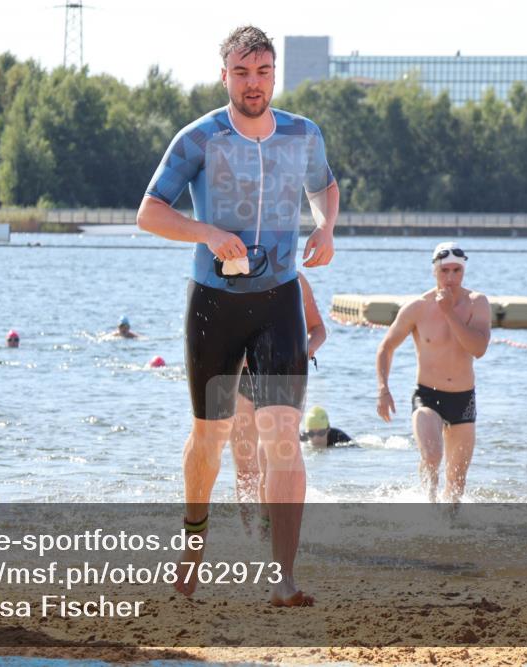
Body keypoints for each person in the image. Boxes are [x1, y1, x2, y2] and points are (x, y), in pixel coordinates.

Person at [135, 24, 339, 607]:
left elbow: (326, 186)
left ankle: (284, 576)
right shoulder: (199, 138)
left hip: (278, 299)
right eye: (242, 72)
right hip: (214, 305)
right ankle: (194, 540)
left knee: (283, 436)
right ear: (224, 75)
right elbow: (149, 213)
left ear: (275, 74)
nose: (254, 83)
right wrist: (206, 233)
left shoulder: (303, 134)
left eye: (264, 72)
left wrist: (326, 226)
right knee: (211, 438)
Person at [375, 242, 490, 504]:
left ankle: (447, 528)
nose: (450, 278)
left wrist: (449, 312)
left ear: (463, 271)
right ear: (434, 272)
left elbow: (478, 348)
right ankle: (427, 509)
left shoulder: (477, 303)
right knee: (432, 455)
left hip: (463, 398)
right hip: (428, 396)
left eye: (456, 271)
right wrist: (383, 389)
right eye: (444, 271)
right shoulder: (417, 307)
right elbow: (386, 348)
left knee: (456, 483)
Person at [230, 273, 331, 513]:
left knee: (274, 458)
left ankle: (269, 524)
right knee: (246, 468)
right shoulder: (232, 276)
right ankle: (250, 533)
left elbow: (318, 329)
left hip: (282, 374)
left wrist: (305, 350)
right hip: (242, 379)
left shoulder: (295, 278)